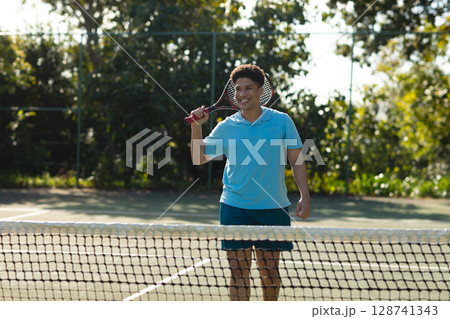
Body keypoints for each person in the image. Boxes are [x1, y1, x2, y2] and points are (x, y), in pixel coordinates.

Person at [189, 64, 311, 301]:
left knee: (269, 274)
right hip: (234, 207)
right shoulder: (226, 126)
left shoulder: (282, 121)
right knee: (238, 273)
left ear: (260, 91)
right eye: (237, 89)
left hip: (273, 207)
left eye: (248, 88)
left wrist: (304, 196)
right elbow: (198, 157)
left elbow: (297, 160)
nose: (242, 94)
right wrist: (196, 127)